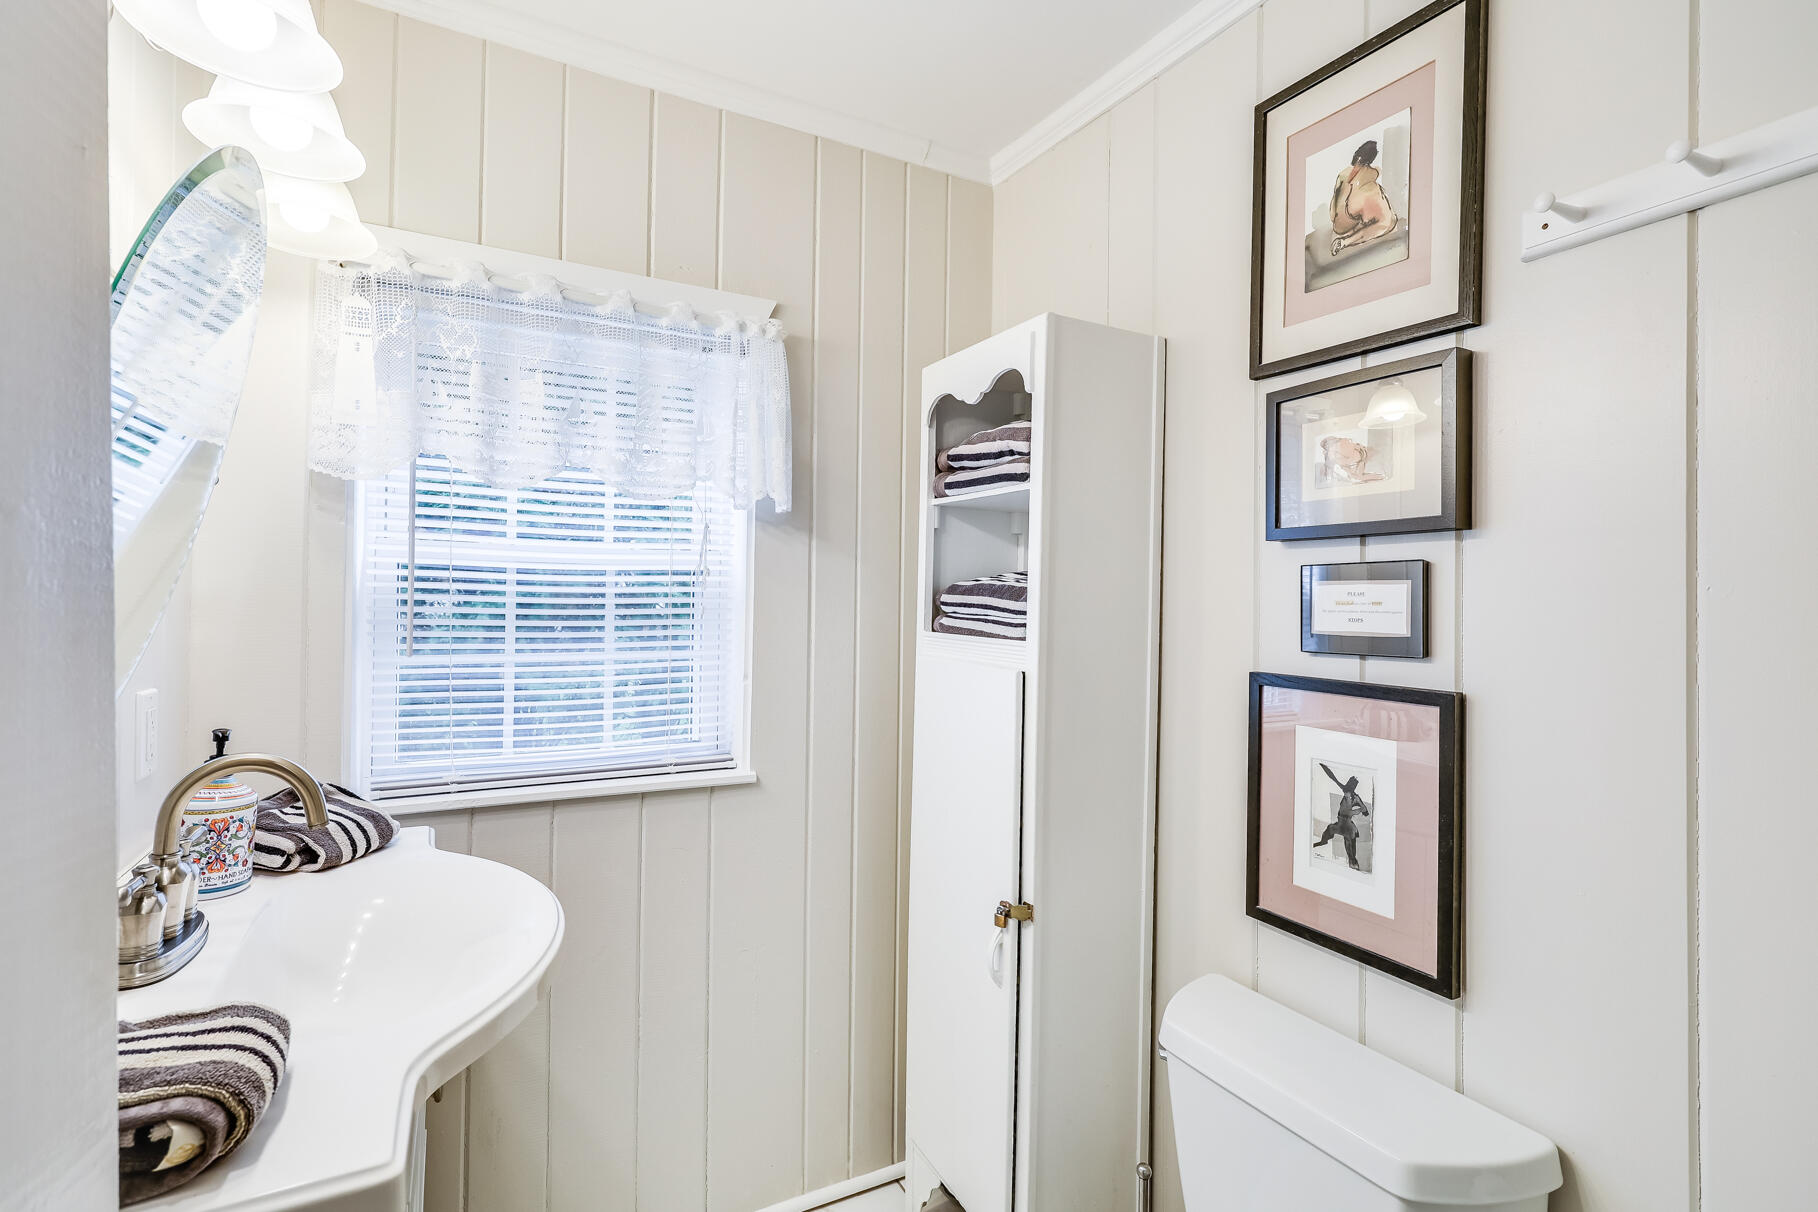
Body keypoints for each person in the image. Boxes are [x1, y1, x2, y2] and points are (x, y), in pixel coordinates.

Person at [1328, 139, 1400, 258]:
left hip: (1350, 227)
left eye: (1358, 158)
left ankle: (1346, 240)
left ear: (1359, 158)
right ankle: (1345, 239)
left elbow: (1384, 223)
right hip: (1345, 226)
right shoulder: (1345, 176)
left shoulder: (1366, 188)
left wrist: (1345, 241)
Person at [1313, 762, 1372, 870]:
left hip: (1348, 825)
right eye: (1345, 791)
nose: (1345, 794)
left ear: (1352, 790)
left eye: (1347, 792)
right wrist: (1324, 767)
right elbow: (1333, 777)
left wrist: (1356, 811)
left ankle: (1353, 863)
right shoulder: (1345, 790)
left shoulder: (1356, 798)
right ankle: (1323, 842)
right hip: (1340, 822)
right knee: (1329, 829)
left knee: (1349, 847)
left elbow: (1364, 809)